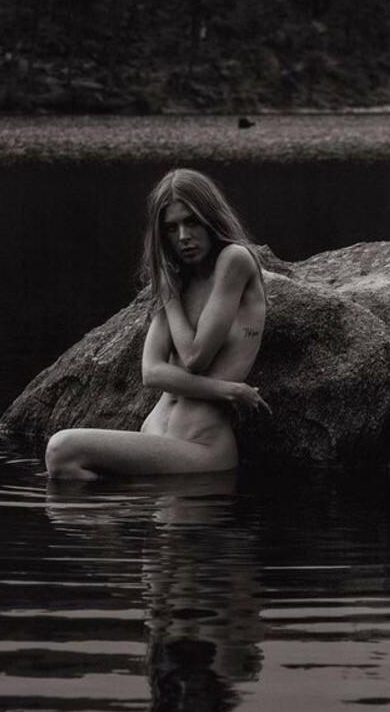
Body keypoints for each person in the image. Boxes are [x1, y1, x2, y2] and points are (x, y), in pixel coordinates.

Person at [45, 168, 269, 480]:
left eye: (191, 222)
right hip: (157, 441)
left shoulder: (234, 260)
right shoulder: (179, 281)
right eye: (171, 228)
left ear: (211, 218)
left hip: (200, 447)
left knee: (61, 449)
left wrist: (169, 297)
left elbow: (195, 358)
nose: (183, 237)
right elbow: (151, 373)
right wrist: (229, 390)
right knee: (68, 471)